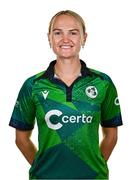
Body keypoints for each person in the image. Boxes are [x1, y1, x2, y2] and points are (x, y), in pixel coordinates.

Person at [9, 10, 123, 179]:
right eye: (57, 33)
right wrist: (44, 168)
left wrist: (93, 167)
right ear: (49, 38)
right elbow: (21, 139)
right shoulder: (33, 85)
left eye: (73, 33)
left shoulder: (103, 82)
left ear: (84, 37)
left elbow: (111, 135)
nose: (65, 39)